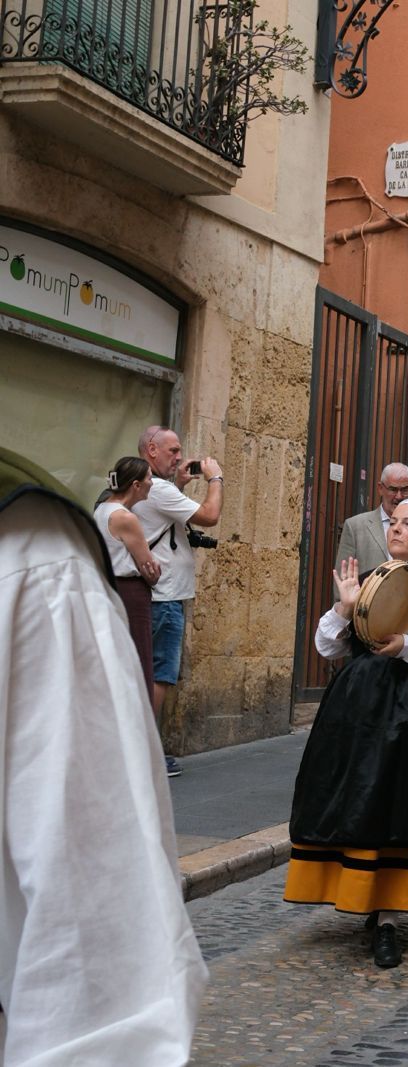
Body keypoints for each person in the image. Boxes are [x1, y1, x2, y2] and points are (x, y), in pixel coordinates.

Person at [0, 447, 207, 1061]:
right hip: (138, 601)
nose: (168, 466)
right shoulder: (104, 527)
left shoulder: (40, 546)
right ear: (141, 478)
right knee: (154, 680)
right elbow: (150, 569)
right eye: (161, 462)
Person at [285, 499, 408, 969]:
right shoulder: (369, 577)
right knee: (357, 800)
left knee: (399, 805)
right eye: (393, 521)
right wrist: (347, 609)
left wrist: (407, 645)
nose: (395, 529)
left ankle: (389, 917)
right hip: (359, 709)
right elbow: (327, 644)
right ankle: (362, 896)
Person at [132, 425, 223, 778]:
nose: (180, 458)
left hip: (158, 594)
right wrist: (216, 479)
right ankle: (147, 754)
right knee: (161, 674)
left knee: (150, 671)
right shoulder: (155, 488)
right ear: (151, 450)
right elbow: (210, 517)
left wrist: (180, 486)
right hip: (165, 596)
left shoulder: (146, 487)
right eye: (173, 451)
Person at [95, 456, 163, 705]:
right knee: (138, 658)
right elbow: (149, 568)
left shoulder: (101, 509)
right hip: (130, 593)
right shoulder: (125, 518)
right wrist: (155, 573)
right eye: (148, 478)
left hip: (109, 588)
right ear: (135, 485)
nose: (151, 483)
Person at [336, 462, 408, 574]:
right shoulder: (355, 527)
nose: (399, 496)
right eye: (393, 489)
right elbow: (342, 577)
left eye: (405, 490)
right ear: (380, 488)